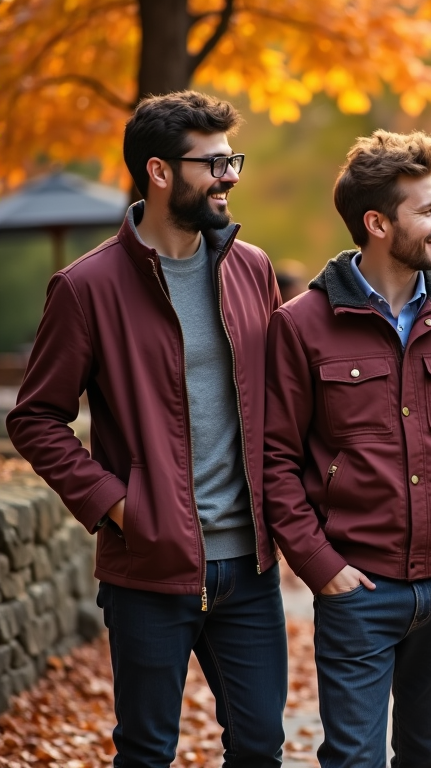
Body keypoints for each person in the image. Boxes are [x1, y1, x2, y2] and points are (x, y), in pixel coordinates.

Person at [6, 91, 287, 766]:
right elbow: (36, 417)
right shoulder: (86, 288)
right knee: (146, 751)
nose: (230, 176)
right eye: (213, 163)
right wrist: (120, 507)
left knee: (260, 747)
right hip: (149, 568)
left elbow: (283, 400)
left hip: (250, 567)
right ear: (160, 172)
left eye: (232, 160)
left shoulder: (253, 270)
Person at [262, 129, 431, 768]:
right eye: (428, 210)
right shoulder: (300, 326)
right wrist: (321, 567)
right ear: (378, 223)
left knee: (427, 755)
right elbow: (274, 460)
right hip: (355, 588)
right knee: (353, 759)